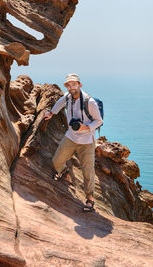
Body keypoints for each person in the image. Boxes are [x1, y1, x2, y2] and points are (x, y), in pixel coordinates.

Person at [43, 73, 103, 212]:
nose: (71, 87)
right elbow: (59, 102)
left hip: (87, 140)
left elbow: (99, 121)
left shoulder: (90, 102)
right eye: (68, 85)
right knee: (56, 161)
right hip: (71, 137)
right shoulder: (68, 97)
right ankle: (63, 170)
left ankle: (90, 199)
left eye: (73, 84)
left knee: (88, 171)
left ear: (79, 85)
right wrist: (51, 113)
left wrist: (86, 127)